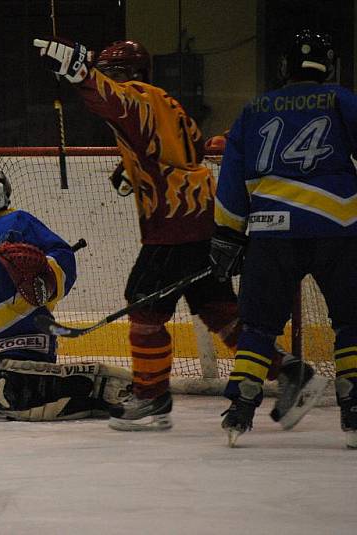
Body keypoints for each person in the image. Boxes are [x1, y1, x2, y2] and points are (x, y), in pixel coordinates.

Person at [33, 37, 323, 431]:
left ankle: (151, 396)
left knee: (144, 303)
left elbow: (114, 101)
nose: (111, 80)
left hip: (175, 222)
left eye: (114, 73)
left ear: (130, 75)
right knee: (220, 313)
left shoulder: (137, 96)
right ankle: (292, 372)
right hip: (203, 216)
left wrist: (80, 72)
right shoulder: (166, 100)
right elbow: (189, 150)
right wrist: (133, 171)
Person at [212, 30, 355, 448]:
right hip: (339, 228)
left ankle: (240, 404)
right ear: (328, 67)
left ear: (283, 68)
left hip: (272, 231)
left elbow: (232, 178)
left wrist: (227, 233)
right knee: (353, 321)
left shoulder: (254, 108)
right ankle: (355, 405)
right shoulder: (341, 99)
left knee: (257, 327)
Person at [0, 164, 130, 421]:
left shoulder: (17, 221)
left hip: (20, 347)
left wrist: (45, 279)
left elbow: (62, 256)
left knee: (17, 395)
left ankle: (96, 386)